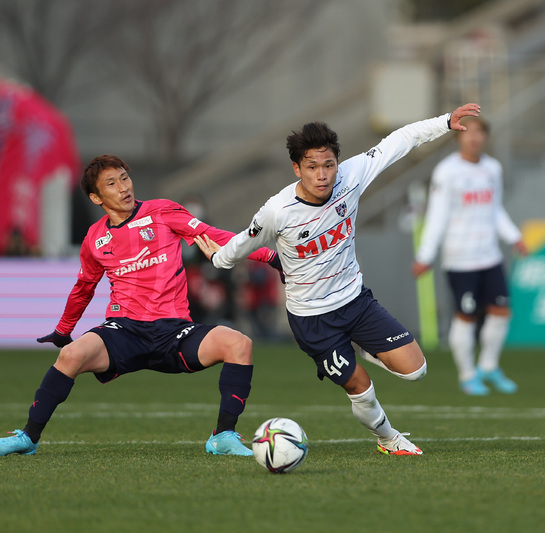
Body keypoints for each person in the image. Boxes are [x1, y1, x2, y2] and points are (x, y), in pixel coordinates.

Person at [194, 103, 481, 455]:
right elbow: (240, 245)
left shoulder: (352, 175)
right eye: (312, 167)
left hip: (356, 302)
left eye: (328, 165)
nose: (322, 175)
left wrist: (444, 122)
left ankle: (361, 345)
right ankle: (389, 439)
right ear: (296, 168)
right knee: (360, 384)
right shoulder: (277, 211)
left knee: (415, 371)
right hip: (313, 320)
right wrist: (218, 257)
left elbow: (399, 141)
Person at [0, 154, 282, 457]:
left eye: (125, 177)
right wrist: (63, 331)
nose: (124, 187)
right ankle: (28, 437)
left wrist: (270, 257)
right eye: (111, 184)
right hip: (124, 331)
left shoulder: (163, 211)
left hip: (174, 331)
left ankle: (223, 436)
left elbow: (215, 237)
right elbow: (84, 287)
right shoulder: (95, 238)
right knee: (70, 354)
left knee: (240, 344)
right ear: (96, 197)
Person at [411, 116, 527, 396]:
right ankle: (467, 375)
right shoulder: (447, 172)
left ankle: (488, 365)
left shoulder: (492, 168)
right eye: (468, 133)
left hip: (490, 256)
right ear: (459, 138)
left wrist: (514, 237)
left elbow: (495, 209)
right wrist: (426, 254)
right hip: (460, 259)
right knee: (466, 316)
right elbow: (437, 216)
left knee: (501, 311)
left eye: (479, 133)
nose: (473, 138)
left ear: (486, 137)